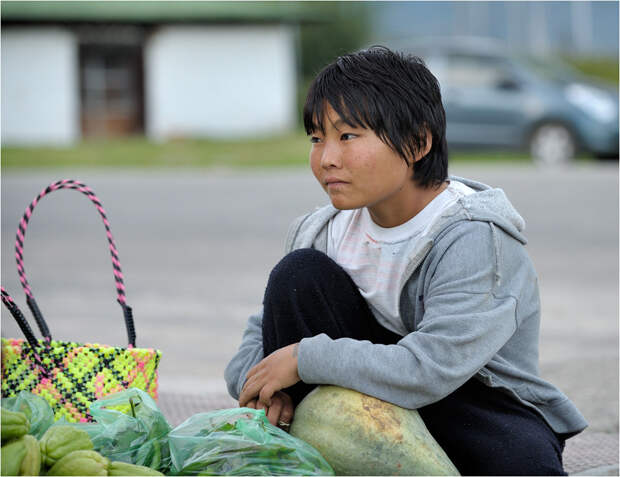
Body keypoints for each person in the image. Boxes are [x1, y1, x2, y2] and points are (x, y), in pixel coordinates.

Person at [225, 46, 587, 475]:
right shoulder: (319, 231)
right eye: (316, 138)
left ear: (417, 142)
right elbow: (258, 340)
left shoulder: (472, 235)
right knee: (298, 275)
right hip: (352, 413)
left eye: (347, 136)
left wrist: (304, 359)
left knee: (520, 460)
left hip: (469, 405)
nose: (326, 159)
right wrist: (266, 388)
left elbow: (431, 369)